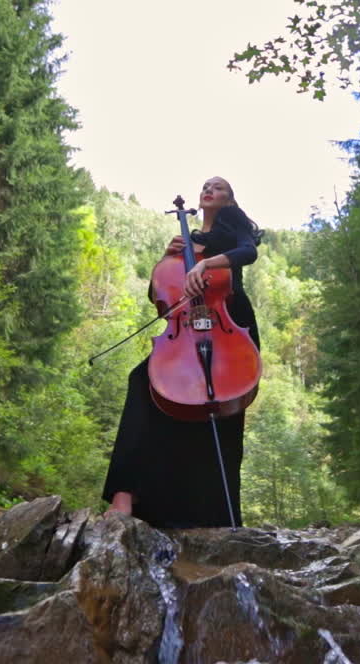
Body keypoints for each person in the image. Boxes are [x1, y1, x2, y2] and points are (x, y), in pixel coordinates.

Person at [101, 176, 261, 528]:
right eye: (206, 186)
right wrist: (168, 256)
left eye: (218, 187)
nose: (210, 190)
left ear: (229, 198)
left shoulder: (231, 220)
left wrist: (205, 264)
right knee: (145, 382)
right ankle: (126, 496)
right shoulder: (187, 241)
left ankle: (218, 516)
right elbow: (160, 296)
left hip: (228, 322)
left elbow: (248, 252)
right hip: (187, 330)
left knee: (221, 412)